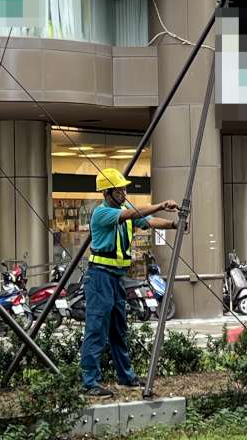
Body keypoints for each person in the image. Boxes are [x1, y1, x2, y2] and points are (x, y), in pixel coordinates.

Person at [80, 168, 186, 397]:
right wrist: (160, 204)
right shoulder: (102, 213)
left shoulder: (125, 211)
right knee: (96, 330)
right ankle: (89, 383)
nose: (124, 193)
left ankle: (126, 377)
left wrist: (174, 225)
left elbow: (149, 221)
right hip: (99, 277)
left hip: (117, 278)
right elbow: (134, 214)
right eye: (119, 190)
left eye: (124, 189)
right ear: (107, 193)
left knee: (119, 330)